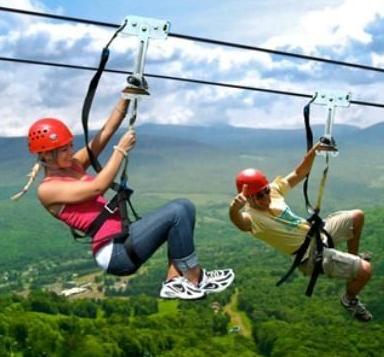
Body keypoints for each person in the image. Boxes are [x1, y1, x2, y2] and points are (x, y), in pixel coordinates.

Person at [12, 96, 234, 300]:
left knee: (184, 207)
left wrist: (126, 96)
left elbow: (107, 131)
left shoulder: (74, 165)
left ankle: (175, 280)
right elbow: (97, 188)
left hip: (123, 239)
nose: (70, 151)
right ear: (45, 155)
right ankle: (195, 275)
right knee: (177, 213)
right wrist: (121, 150)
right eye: (63, 150)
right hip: (114, 252)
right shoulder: (48, 189)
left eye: (70, 145)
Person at [229, 143, 373, 322]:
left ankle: (353, 258)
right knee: (366, 271)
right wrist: (234, 210)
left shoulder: (273, 192)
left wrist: (313, 152)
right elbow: (240, 223)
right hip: (310, 256)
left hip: (318, 234)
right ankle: (349, 300)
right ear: (248, 199)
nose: (266, 197)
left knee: (357, 216)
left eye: (265, 191)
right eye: (259, 195)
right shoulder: (252, 219)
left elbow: (299, 174)